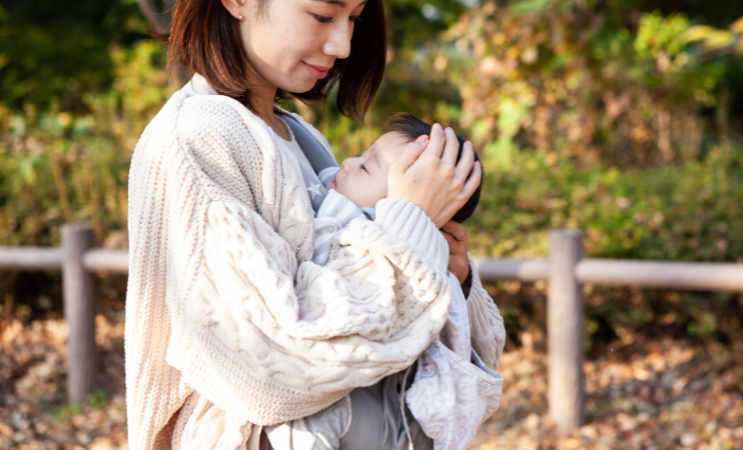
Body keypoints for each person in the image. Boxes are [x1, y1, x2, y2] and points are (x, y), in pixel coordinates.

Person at [124, 0, 506, 449]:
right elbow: (269, 365)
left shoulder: (297, 136)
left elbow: (457, 358)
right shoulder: (198, 136)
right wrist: (411, 227)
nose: (343, 45)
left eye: (354, 18)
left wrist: (449, 273)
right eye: (323, 16)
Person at [302, 112, 503, 450]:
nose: (347, 162)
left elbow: (480, 348)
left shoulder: (355, 226)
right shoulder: (324, 198)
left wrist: (462, 280)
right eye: (363, 156)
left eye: (366, 166)